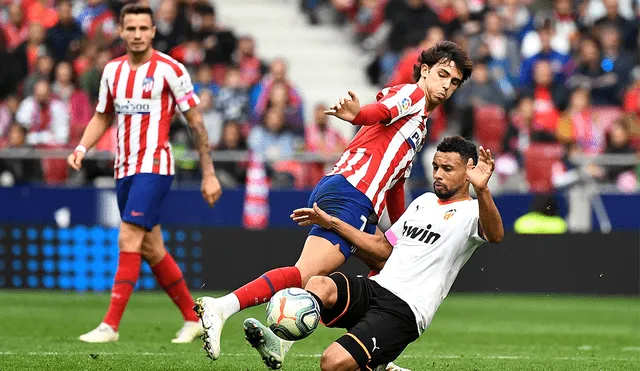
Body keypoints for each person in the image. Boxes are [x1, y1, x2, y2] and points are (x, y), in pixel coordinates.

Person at [195, 41, 473, 366]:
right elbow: (378, 112)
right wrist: (358, 114)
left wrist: (400, 231)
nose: (446, 86)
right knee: (304, 275)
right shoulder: (410, 95)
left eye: (453, 82)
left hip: (360, 201)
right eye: (442, 75)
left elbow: (397, 183)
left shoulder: (420, 124)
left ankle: (367, 354)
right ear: (424, 70)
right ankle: (221, 307)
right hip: (352, 192)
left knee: (388, 269)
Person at [243, 136, 504, 370]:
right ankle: (280, 342)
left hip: (404, 309)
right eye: (436, 167)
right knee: (318, 284)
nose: (438, 174)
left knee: (332, 363)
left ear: (469, 171)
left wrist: (482, 190)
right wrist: (333, 222)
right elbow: (383, 250)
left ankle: (378, 363)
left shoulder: (473, 211)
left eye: (447, 169)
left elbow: (495, 235)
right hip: (376, 288)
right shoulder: (423, 203)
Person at [67, 4, 222, 343]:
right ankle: (193, 318)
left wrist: (209, 173)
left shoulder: (171, 70)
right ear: (120, 32)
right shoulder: (112, 71)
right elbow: (102, 116)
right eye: (131, 28)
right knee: (152, 249)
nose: (137, 35)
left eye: (143, 28)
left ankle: (110, 325)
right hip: (123, 169)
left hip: (155, 166)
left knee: (128, 237)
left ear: (153, 31)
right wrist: (81, 148)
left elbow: (196, 122)